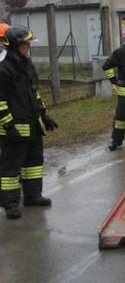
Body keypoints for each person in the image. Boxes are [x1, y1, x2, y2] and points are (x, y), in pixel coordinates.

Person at [0, 26, 58, 219]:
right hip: (14, 128)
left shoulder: (26, 66)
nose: (28, 47)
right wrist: (8, 126)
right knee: (11, 169)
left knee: (33, 163)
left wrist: (43, 114)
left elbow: (35, 93)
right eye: (25, 43)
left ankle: (33, 196)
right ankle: (10, 205)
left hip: (32, 124)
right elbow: (0, 102)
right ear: (14, 46)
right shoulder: (4, 70)